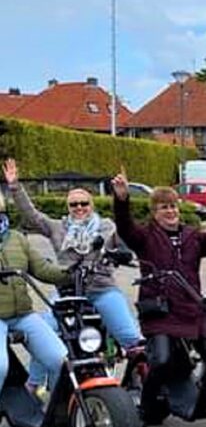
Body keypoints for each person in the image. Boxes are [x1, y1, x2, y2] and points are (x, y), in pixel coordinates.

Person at [110, 169, 206, 421]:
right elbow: (125, 227)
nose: (170, 211)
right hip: (160, 312)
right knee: (162, 360)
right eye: (164, 207)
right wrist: (122, 199)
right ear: (154, 212)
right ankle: (146, 408)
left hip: (192, 309)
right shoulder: (145, 237)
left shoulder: (192, 237)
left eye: (173, 206)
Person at [3, 158, 142, 394]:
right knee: (45, 332)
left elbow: (125, 233)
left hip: (101, 289)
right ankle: (34, 384)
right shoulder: (58, 227)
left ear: (92, 205)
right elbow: (32, 215)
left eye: (84, 203)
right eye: (74, 204)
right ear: (68, 207)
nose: (79, 208)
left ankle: (141, 385)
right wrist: (15, 186)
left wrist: (122, 200)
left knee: (132, 338)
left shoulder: (106, 226)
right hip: (67, 292)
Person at [0, 191, 69, 400]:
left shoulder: (16, 238)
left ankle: (59, 409)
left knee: (61, 360)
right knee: (0, 367)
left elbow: (42, 269)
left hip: (23, 314)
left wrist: (71, 272)